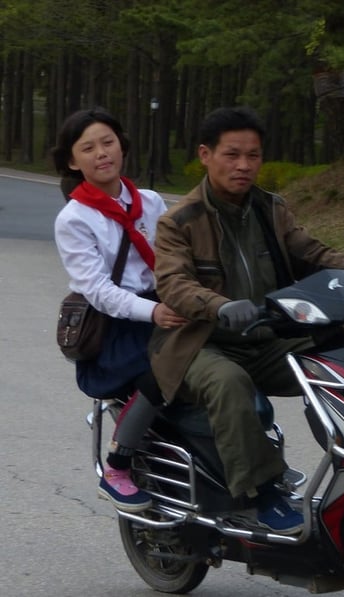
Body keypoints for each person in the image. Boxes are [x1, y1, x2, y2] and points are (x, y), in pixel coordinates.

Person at [149, 106, 344, 535]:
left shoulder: (271, 210)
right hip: (201, 343)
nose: (243, 165)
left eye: (253, 155)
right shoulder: (179, 221)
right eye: (232, 154)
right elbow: (174, 283)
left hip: (267, 338)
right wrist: (218, 305)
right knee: (229, 382)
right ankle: (260, 494)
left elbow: (312, 253)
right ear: (205, 155)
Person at [53, 108, 188, 513]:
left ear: (122, 146)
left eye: (107, 142)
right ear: (74, 161)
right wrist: (153, 313)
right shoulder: (74, 218)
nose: (101, 154)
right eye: (88, 148)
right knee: (166, 370)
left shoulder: (148, 201)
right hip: (115, 328)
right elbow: (97, 290)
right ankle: (118, 466)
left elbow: (173, 259)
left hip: (162, 306)